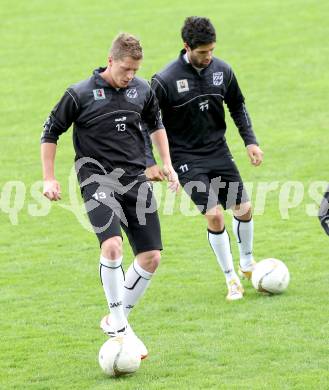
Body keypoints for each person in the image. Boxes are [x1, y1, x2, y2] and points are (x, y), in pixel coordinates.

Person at [40, 33, 179, 359]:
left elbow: (156, 125)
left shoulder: (142, 90)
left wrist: (166, 164)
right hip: (97, 179)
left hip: (135, 180)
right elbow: (50, 132)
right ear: (111, 60)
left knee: (151, 257)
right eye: (126, 69)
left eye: (135, 70)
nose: (130, 75)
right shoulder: (79, 94)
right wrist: (49, 178)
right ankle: (118, 324)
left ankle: (117, 319)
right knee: (112, 245)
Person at [150, 17, 264, 301]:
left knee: (244, 208)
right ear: (186, 47)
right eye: (202, 52)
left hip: (218, 151)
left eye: (211, 50)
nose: (208, 57)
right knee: (213, 214)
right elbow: (147, 121)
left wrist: (250, 141)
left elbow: (237, 105)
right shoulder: (164, 80)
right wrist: (153, 160)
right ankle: (231, 279)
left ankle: (247, 264)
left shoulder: (222, 70)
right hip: (186, 158)